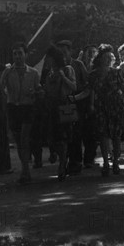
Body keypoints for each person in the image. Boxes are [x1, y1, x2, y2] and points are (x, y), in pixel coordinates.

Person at [72, 44, 124, 176]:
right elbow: (89, 91)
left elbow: (123, 87)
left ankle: (115, 162)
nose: (107, 60)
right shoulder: (93, 74)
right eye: (104, 57)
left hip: (115, 106)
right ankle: (106, 162)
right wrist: (75, 98)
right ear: (100, 59)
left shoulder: (116, 72)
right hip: (101, 107)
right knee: (103, 136)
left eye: (109, 57)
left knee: (116, 136)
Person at [0, 42, 43, 184]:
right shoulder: (8, 72)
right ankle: (25, 168)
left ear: (25, 54)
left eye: (20, 53)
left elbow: (39, 90)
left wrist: (36, 92)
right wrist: (4, 76)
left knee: (24, 138)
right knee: (19, 141)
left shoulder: (33, 73)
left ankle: (26, 170)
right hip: (13, 108)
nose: (17, 56)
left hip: (27, 107)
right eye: (15, 53)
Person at [56, 39, 93, 174]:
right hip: (61, 103)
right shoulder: (55, 66)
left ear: (70, 52)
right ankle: (63, 161)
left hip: (77, 103)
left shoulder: (78, 65)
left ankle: (75, 162)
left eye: (64, 52)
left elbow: (88, 85)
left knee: (76, 134)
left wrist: (85, 101)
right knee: (62, 135)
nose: (62, 55)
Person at [43, 45, 77, 181]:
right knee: (51, 137)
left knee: (63, 138)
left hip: (64, 107)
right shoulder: (49, 72)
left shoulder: (67, 70)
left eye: (49, 58)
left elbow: (74, 87)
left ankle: (63, 164)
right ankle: (55, 154)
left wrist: (63, 77)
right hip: (51, 107)